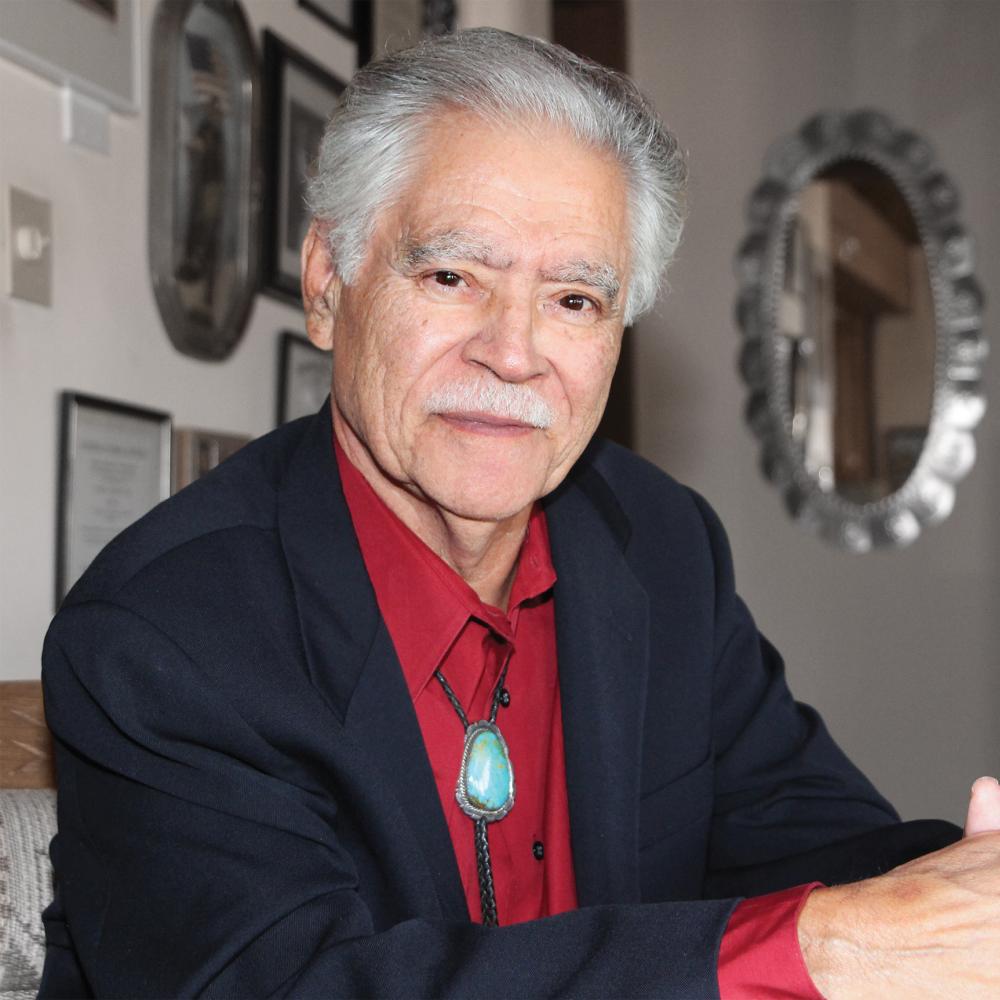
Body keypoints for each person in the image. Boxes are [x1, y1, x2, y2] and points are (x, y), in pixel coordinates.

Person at [39, 28, 1000, 999]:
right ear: (329, 283)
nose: (514, 352)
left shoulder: (661, 544)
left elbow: (822, 845)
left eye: (576, 300)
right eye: (452, 277)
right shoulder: (164, 634)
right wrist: (821, 949)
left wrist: (964, 886)